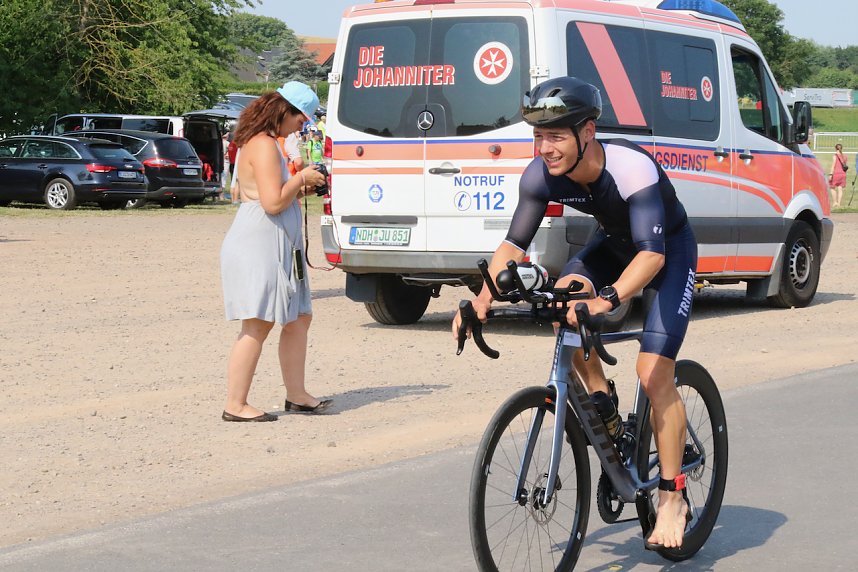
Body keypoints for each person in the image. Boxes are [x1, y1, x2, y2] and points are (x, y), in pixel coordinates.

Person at [452, 77, 698, 549]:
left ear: (587, 132)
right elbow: (513, 245)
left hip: (667, 253)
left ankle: (672, 496)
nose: (544, 148)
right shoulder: (540, 174)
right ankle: (604, 405)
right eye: (537, 136)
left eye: (555, 136)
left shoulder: (630, 168)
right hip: (613, 246)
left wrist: (607, 299)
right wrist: (482, 300)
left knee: (653, 374)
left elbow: (651, 256)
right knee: (562, 302)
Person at [220, 81, 331, 422]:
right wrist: (301, 179)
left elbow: (276, 195)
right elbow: (271, 203)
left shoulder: (266, 143)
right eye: (300, 119)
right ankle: (235, 404)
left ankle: (297, 395)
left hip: (277, 241)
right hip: (260, 243)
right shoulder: (264, 145)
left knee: (299, 316)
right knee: (258, 322)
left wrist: (303, 188)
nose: (301, 126)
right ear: (284, 111)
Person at [829, 143, 848, 209]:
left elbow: (833, 166)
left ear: (835, 148)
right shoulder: (845, 156)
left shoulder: (835, 156)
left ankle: (835, 202)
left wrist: (831, 174)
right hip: (843, 174)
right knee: (840, 189)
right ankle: (839, 203)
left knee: (832, 187)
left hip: (836, 174)